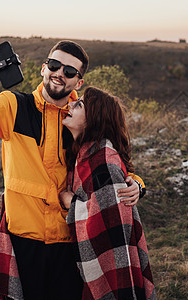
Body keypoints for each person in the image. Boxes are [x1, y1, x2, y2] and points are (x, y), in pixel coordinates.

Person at [0, 40, 145, 299]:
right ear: (44, 68)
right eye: (55, 65)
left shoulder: (81, 118)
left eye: (69, 71)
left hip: (70, 241)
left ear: (78, 82)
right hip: (25, 240)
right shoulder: (13, 107)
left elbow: (107, 157)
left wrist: (135, 182)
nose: (59, 73)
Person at [59, 86, 155, 300]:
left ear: (94, 118)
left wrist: (71, 202)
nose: (71, 104)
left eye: (80, 104)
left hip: (109, 263)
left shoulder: (103, 160)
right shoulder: (83, 153)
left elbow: (110, 234)